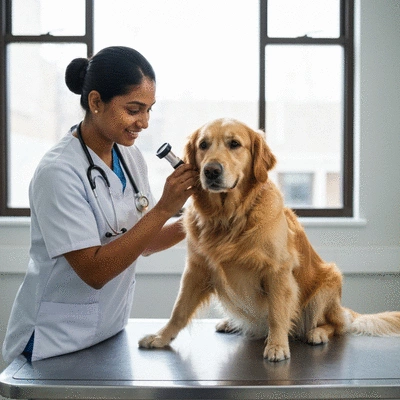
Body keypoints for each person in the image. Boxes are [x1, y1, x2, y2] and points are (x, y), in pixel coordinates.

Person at [2, 46, 198, 363]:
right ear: (96, 102)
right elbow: (94, 270)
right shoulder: (58, 172)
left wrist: (201, 222)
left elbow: (141, 241)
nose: (144, 122)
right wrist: (164, 208)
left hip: (107, 332)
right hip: (53, 340)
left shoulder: (131, 157)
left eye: (149, 109)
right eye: (134, 109)